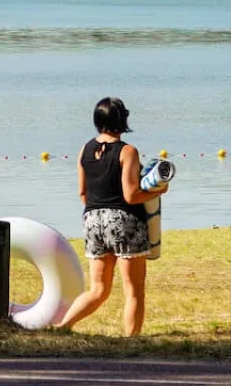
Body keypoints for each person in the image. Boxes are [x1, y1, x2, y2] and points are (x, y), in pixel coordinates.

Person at [55, 97, 167, 335]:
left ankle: (62, 326)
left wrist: (99, 211)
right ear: (123, 119)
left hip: (93, 219)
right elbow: (131, 195)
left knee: (98, 289)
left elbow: (82, 192)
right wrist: (159, 190)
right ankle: (130, 339)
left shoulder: (84, 150)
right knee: (134, 290)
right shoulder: (127, 151)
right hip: (124, 221)